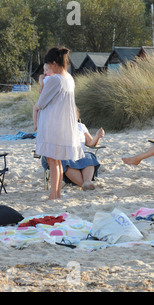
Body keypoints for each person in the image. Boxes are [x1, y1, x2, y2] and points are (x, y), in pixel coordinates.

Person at [33, 47, 84, 201]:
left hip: (52, 123)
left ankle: (53, 195)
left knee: (52, 161)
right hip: (62, 123)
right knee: (57, 161)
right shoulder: (69, 78)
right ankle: (57, 193)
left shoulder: (55, 80)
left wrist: (41, 83)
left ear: (54, 63)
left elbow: (41, 103)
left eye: (48, 65)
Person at [42, 113, 105, 191]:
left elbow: (91, 143)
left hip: (80, 154)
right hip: (62, 155)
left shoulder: (80, 126)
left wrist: (97, 136)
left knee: (89, 157)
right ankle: (83, 185)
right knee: (65, 161)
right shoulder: (54, 126)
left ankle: (87, 181)